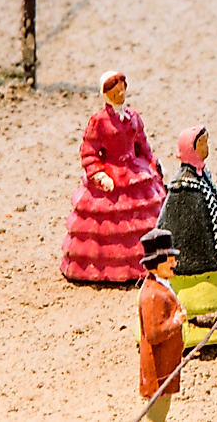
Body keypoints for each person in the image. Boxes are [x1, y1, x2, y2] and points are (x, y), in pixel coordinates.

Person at [64, 71, 167, 283]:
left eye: (122, 89)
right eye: (114, 91)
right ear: (105, 95)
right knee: (109, 225)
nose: (120, 94)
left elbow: (142, 144)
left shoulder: (133, 117)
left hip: (135, 171)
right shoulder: (98, 121)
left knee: (145, 217)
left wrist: (151, 163)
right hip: (111, 174)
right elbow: (89, 151)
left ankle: (146, 264)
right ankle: (109, 268)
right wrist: (98, 174)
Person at [156, 125, 217, 346]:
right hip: (193, 259)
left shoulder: (202, 174)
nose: (207, 147)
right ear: (191, 148)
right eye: (202, 143)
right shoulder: (184, 186)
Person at [138, 229, 185, 422]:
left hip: (166, 363)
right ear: (155, 266)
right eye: (169, 260)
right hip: (158, 367)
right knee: (156, 415)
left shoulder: (162, 286)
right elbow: (153, 334)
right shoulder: (153, 294)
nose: (174, 264)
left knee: (161, 410)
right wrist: (177, 320)